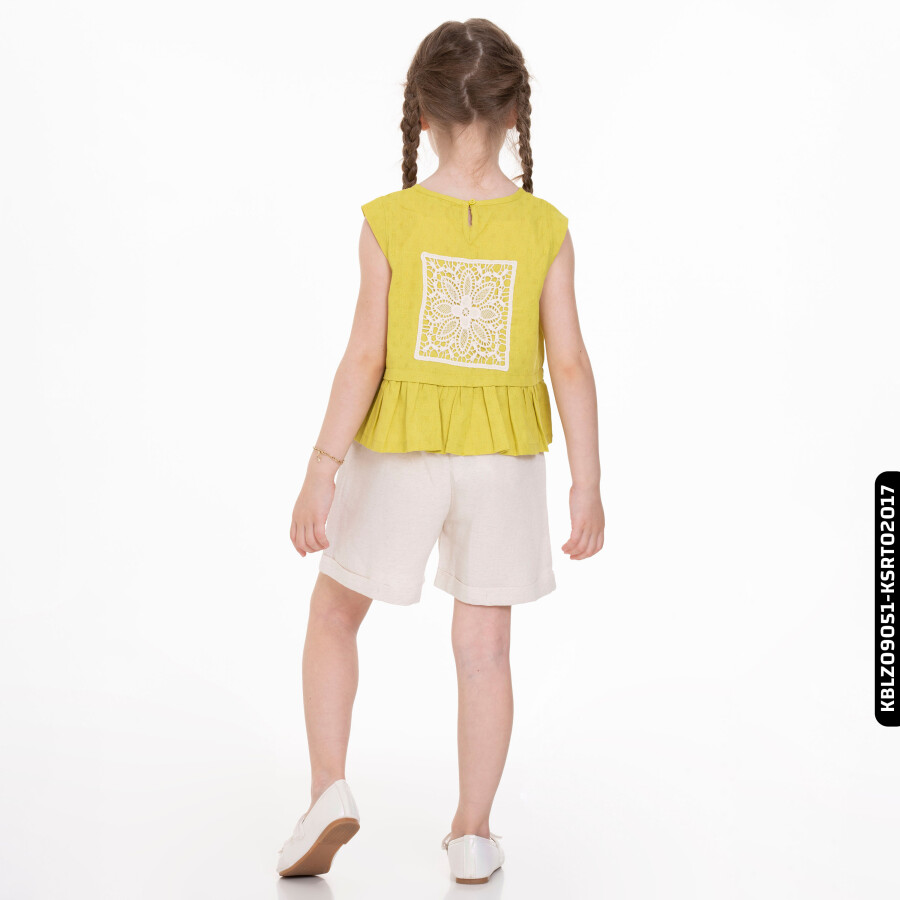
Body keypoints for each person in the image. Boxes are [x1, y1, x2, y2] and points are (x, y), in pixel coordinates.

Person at [276, 17, 604, 886]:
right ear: (514, 113)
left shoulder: (389, 222)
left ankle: (327, 788)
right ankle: (472, 833)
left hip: (400, 451)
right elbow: (570, 362)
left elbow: (364, 358)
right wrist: (587, 482)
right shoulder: (545, 229)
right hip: (504, 461)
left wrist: (322, 466)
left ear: (420, 114)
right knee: (484, 651)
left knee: (335, 614)